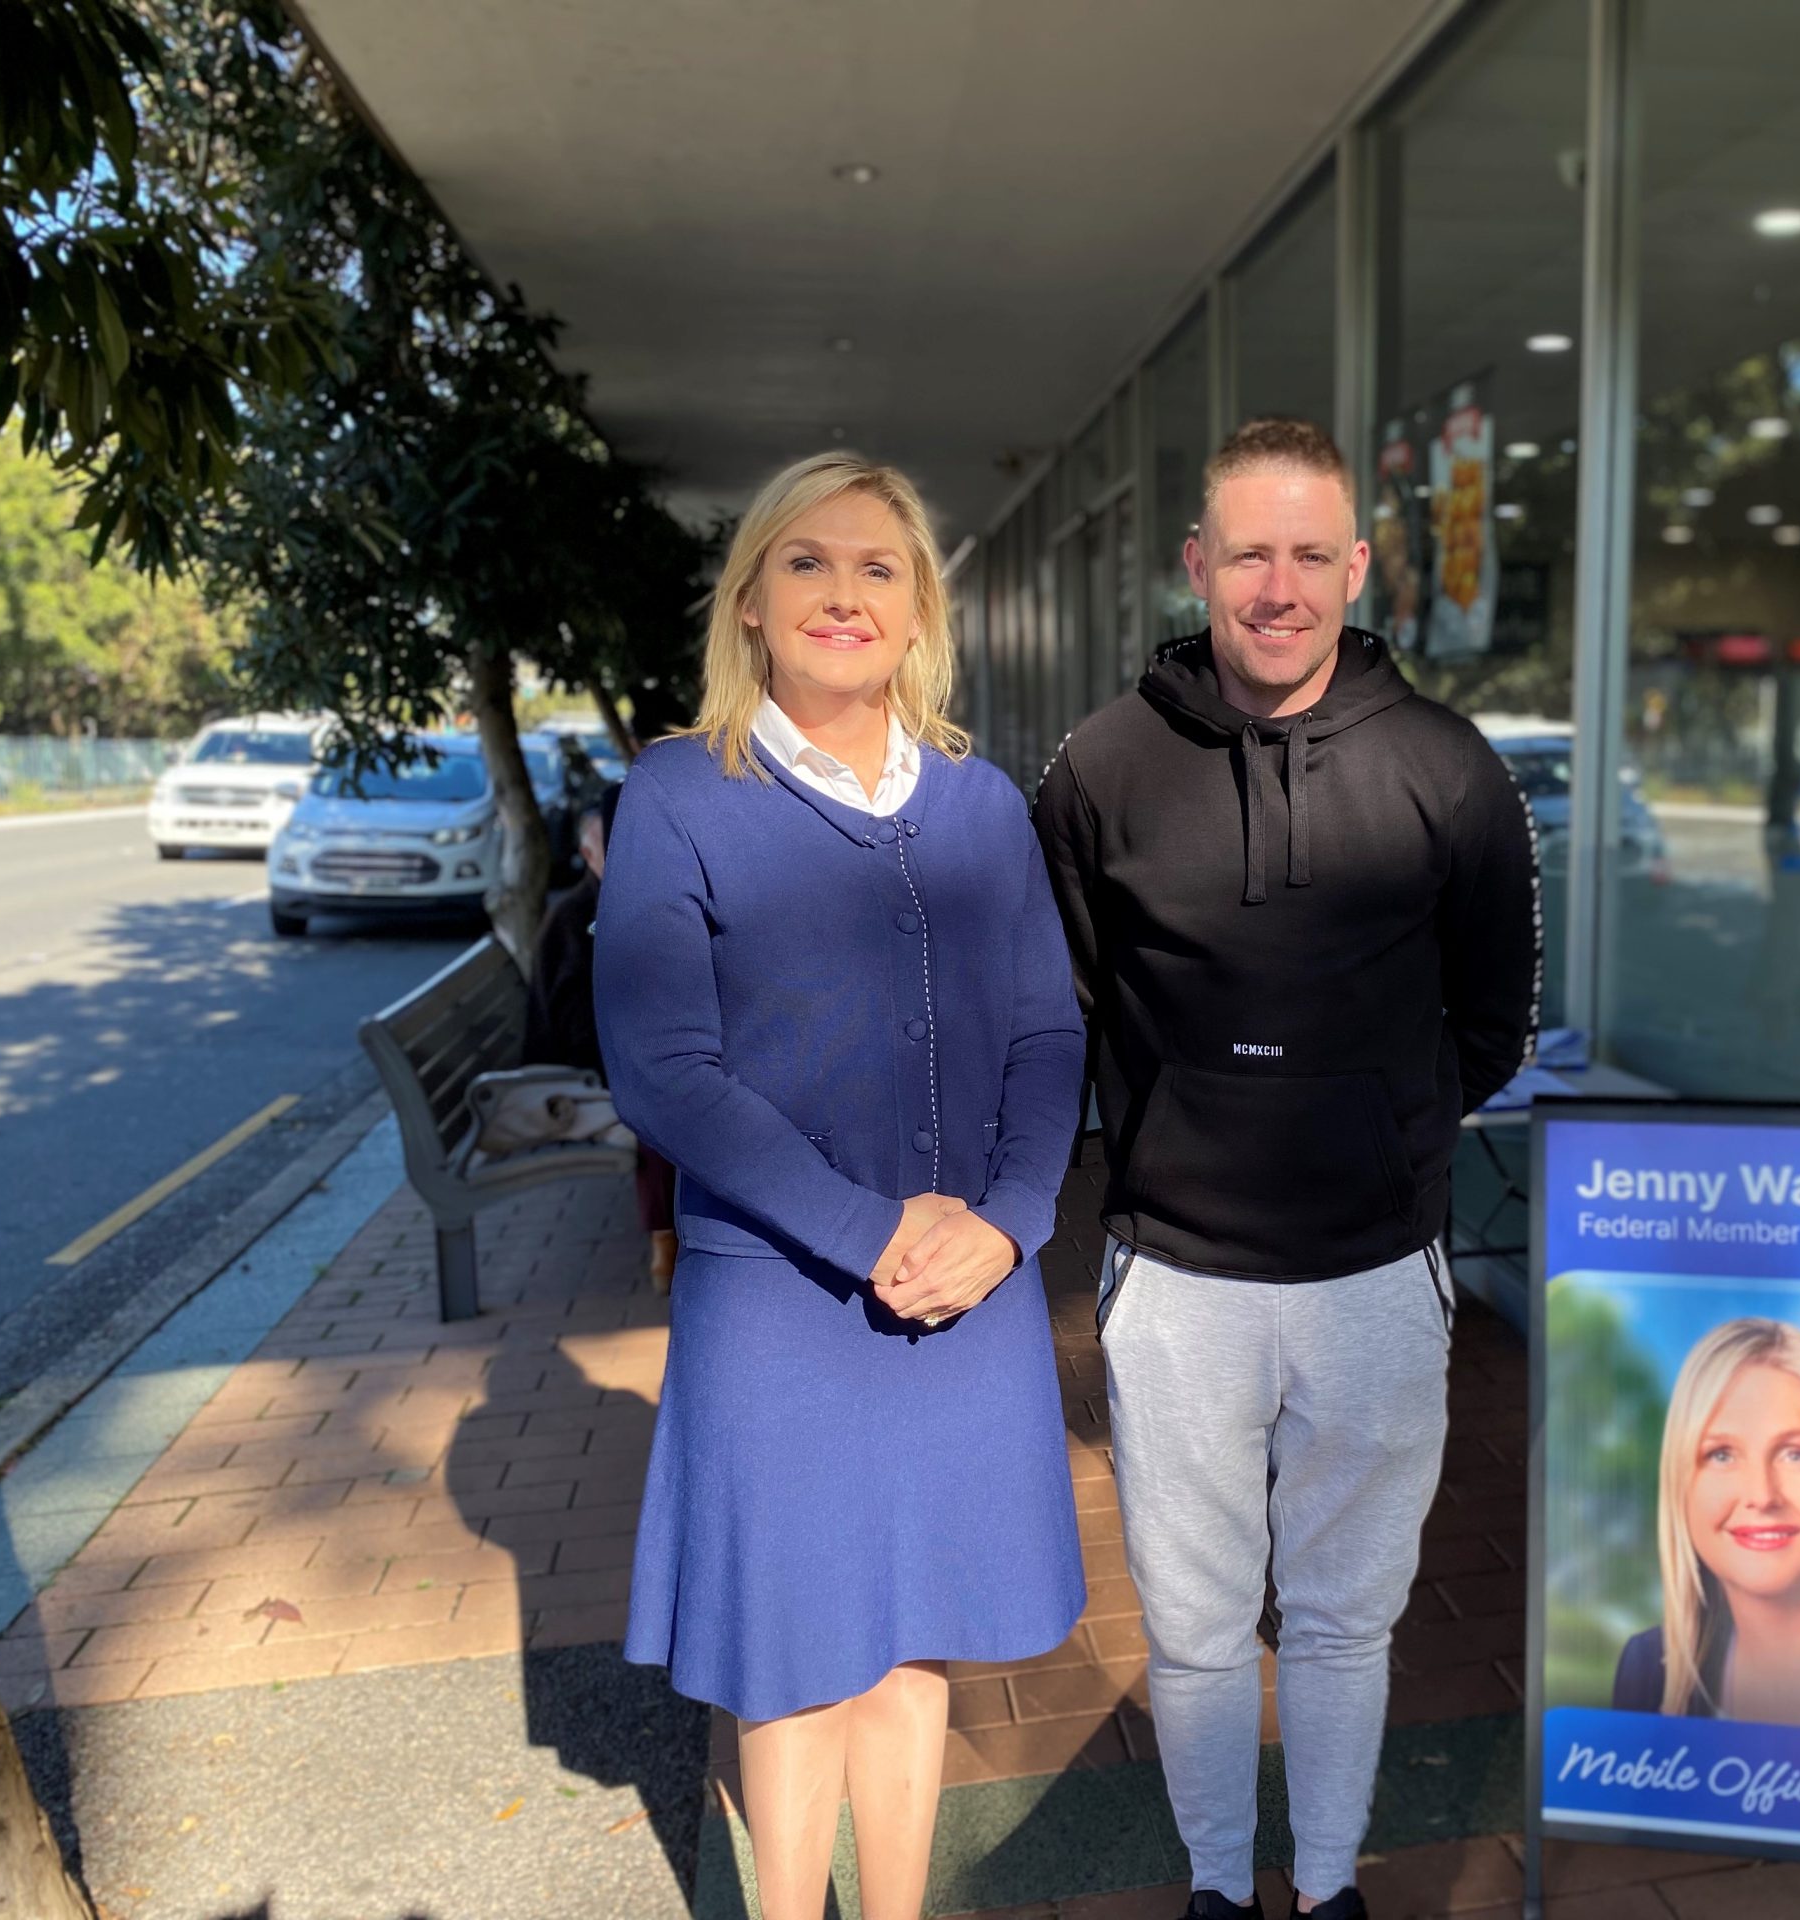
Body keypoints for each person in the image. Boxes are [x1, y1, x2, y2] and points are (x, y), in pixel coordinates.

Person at [1033, 418, 1541, 1920]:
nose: (1277, 585)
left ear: (1357, 566)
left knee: (1341, 1618)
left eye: (1309, 553)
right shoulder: (1102, 766)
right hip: (1176, 1271)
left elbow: (1494, 1022)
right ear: (1196, 564)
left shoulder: (1449, 772)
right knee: (1191, 1627)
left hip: (1377, 1269)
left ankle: (1323, 1891)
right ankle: (1211, 1886)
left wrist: (1375, 1126)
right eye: (1246, 551)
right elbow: (1059, 1003)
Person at [592, 452, 1087, 1920]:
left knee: (913, 1648)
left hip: (966, 1296)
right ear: (749, 602)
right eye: (807, 562)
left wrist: (1008, 1224)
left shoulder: (985, 803)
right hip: (786, 1304)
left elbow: (1052, 1033)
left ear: (921, 607)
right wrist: (876, 1233)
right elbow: (666, 1072)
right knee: (792, 1663)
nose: (844, 593)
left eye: (879, 567)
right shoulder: (682, 792)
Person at [1612, 1318, 1800, 1731]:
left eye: (1795, 1454)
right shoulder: (1647, 1670)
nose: (1762, 1495)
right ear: (1680, 1484)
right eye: (1720, 1455)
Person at [521, 786, 681, 1289]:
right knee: (664, 1101)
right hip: (571, 1075)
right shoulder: (576, 917)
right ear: (591, 854)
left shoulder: (620, 906)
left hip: (600, 1058)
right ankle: (665, 1235)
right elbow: (572, 1029)